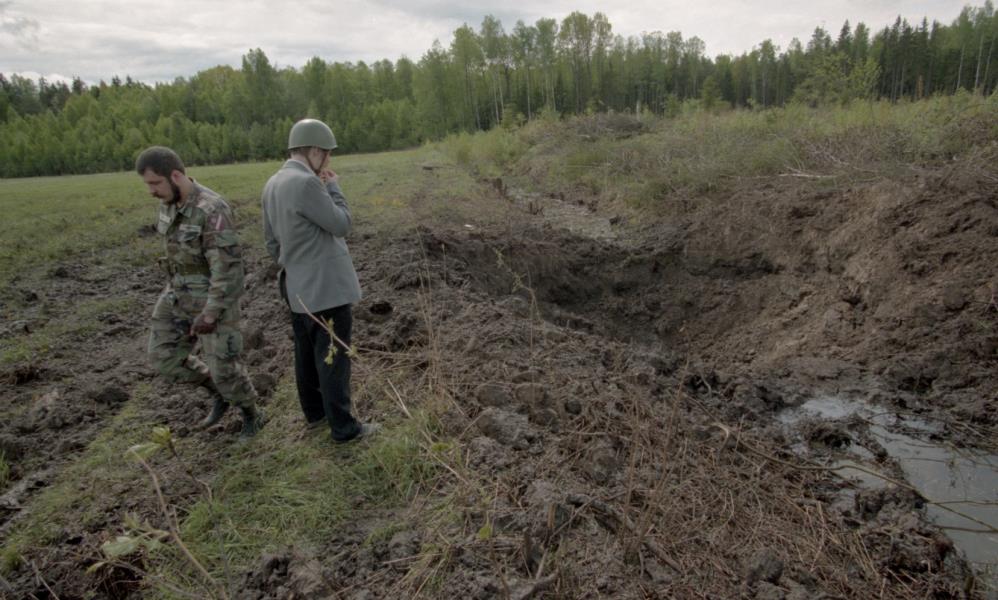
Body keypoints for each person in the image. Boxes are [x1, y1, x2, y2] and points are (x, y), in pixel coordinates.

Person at [261, 119, 378, 443]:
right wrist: (334, 188)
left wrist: (296, 264)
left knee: (306, 354)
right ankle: (344, 428)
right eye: (327, 154)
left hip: (296, 287)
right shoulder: (307, 184)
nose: (328, 160)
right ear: (314, 151)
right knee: (333, 358)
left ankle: (315, 415)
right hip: (326, 289)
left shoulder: (272, 183)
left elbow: (271, 243)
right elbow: (341, 224)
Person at [136, 146, 263, 438]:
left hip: (213, 300)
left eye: (155, 183)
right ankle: (218, 392)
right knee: (163, 357)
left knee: (225, 369)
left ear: (175, 176)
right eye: (147, 184)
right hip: (177, 295)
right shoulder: (168, 204)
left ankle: (251, 414)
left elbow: (227, 270)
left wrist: (210, 313)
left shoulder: (212, 209)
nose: (151, 191)